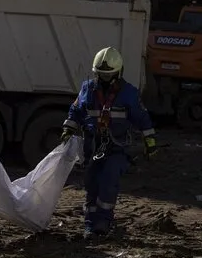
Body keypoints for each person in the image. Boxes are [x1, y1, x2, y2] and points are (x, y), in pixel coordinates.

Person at [61, 47, 157, 241]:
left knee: (108, 182)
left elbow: (142, 118)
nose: (104, 79)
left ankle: (103, 223)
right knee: (91, 185)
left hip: (117, 148)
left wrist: (150, 141)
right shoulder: (88, 88)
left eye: (109, 75)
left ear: (118, 72)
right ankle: (90, 225)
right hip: (92, 147)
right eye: (101, 75)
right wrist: (68, 128)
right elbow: (76, 111)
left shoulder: (129, 93)